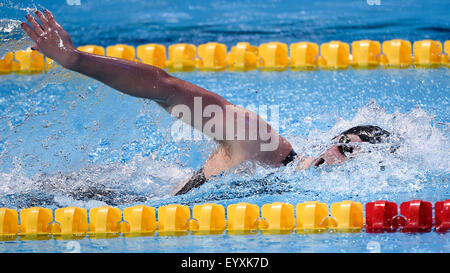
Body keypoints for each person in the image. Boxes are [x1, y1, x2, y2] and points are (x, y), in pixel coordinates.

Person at [21, 10, 392, 196]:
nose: (342, 161)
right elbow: (164, 88)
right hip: (99, 203)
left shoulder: (298, 189)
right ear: (333, 142)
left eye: (357, 161)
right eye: (346, 147)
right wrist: (75, 60)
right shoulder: (259, 141)